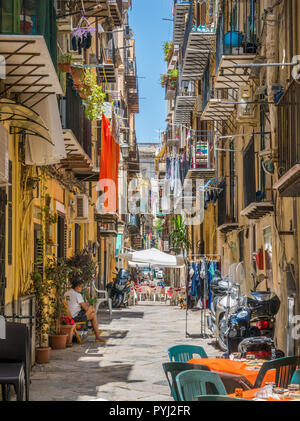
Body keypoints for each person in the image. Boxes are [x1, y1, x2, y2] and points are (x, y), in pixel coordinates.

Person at [64, 279, 107, 343]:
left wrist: (85, 304)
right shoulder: (77, 295)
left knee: (93, 314)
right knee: (92, 309)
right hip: (76, 318)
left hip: (69, 316)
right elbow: (86, 308)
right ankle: (96, 333)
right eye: (81, 286)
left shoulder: (66, 293)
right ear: (77, 286)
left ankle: (96, 333)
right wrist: (87, 304)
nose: (81, 288)